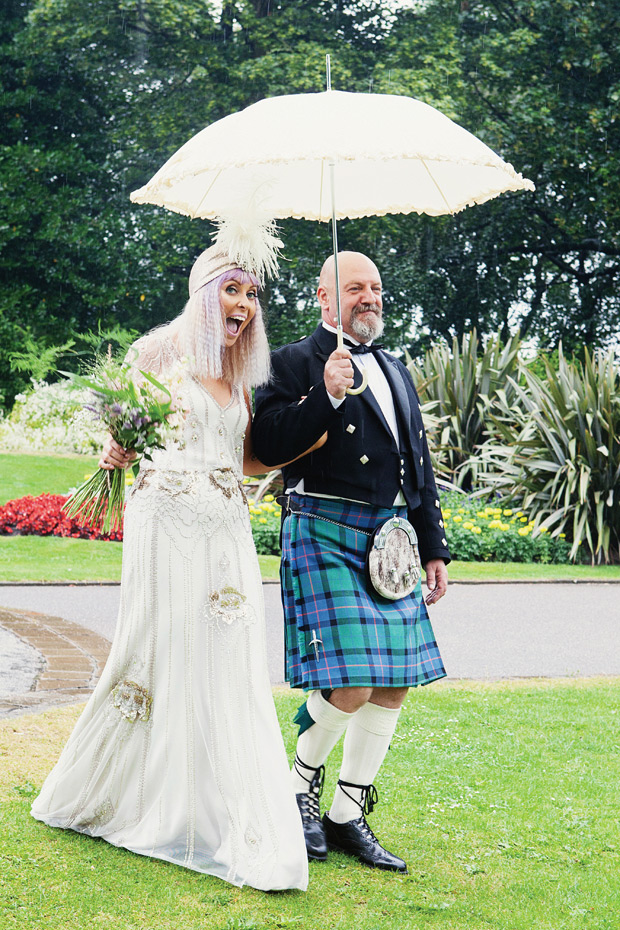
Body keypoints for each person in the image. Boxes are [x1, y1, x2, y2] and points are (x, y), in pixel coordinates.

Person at [31, 220, 309, 892]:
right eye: (232, 289)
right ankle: (121, 795)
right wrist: (112, 451)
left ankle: (217, 806)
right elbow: (122, 431)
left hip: (226, 534)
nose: (243, 304)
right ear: (205, 291)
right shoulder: (158, 354)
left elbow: (242, 458)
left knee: (227, 664)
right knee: (157, 651)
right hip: (166, 524)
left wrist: (315, 422)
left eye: (252, 294)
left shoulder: (241, 377)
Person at [251, 251, 450, 874]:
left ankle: (346, 813)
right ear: (324, 297)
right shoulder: (289, 363)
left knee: (393, 684)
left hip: (390, 538)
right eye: (356, 288)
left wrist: (434, 546)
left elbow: (415, 463)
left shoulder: (393, 366)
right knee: (354, 680)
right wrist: (326, 394)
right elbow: (268, 446)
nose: (370, 297)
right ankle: (298, 789)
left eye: (376, 288)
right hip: (323, 527)